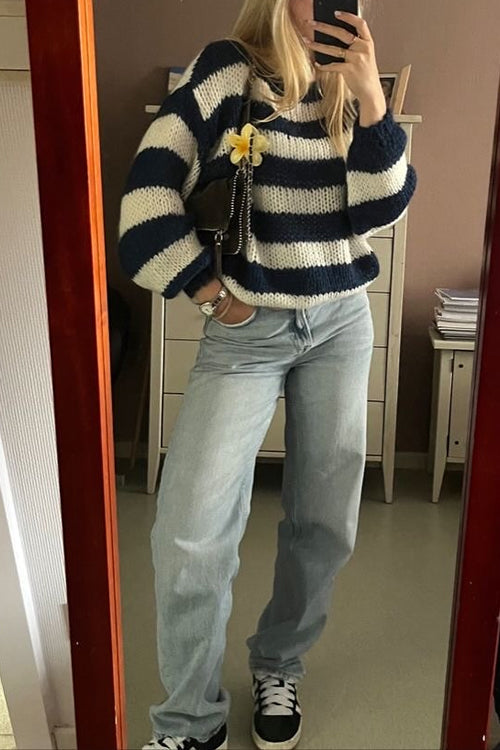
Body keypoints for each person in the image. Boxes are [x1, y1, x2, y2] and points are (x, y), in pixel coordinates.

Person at [118, 0, 417, 748]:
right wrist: (208, 292)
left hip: (340, 324)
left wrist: (372, 101)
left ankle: (279, 663)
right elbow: (147, 197)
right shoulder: (229, 71)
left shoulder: (353, 89)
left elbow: (379, 212)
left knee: (324, 521)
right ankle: (190, 721)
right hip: (247, 335)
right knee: (190, 532)